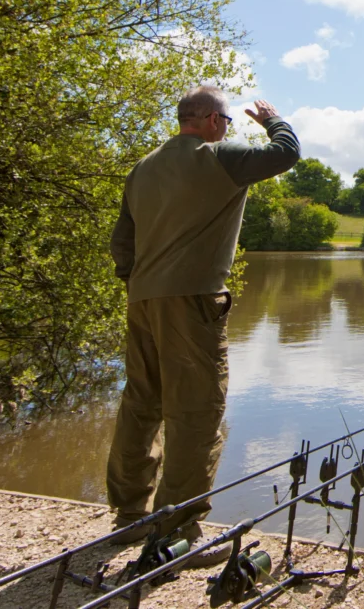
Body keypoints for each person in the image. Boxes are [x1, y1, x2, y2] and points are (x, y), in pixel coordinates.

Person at [105, 86, 300, 553]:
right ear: (214, 121)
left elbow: (121, 244)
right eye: (228, 122)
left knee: (141, 403)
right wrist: (273, 119)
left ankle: (129, 515)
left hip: (143, 299)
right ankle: (176, 533)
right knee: (195, 411)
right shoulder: (219, 156)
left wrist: (140, 284)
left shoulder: (143, 168)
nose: (228, 129)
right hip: (193, 300)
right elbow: (285, 153)